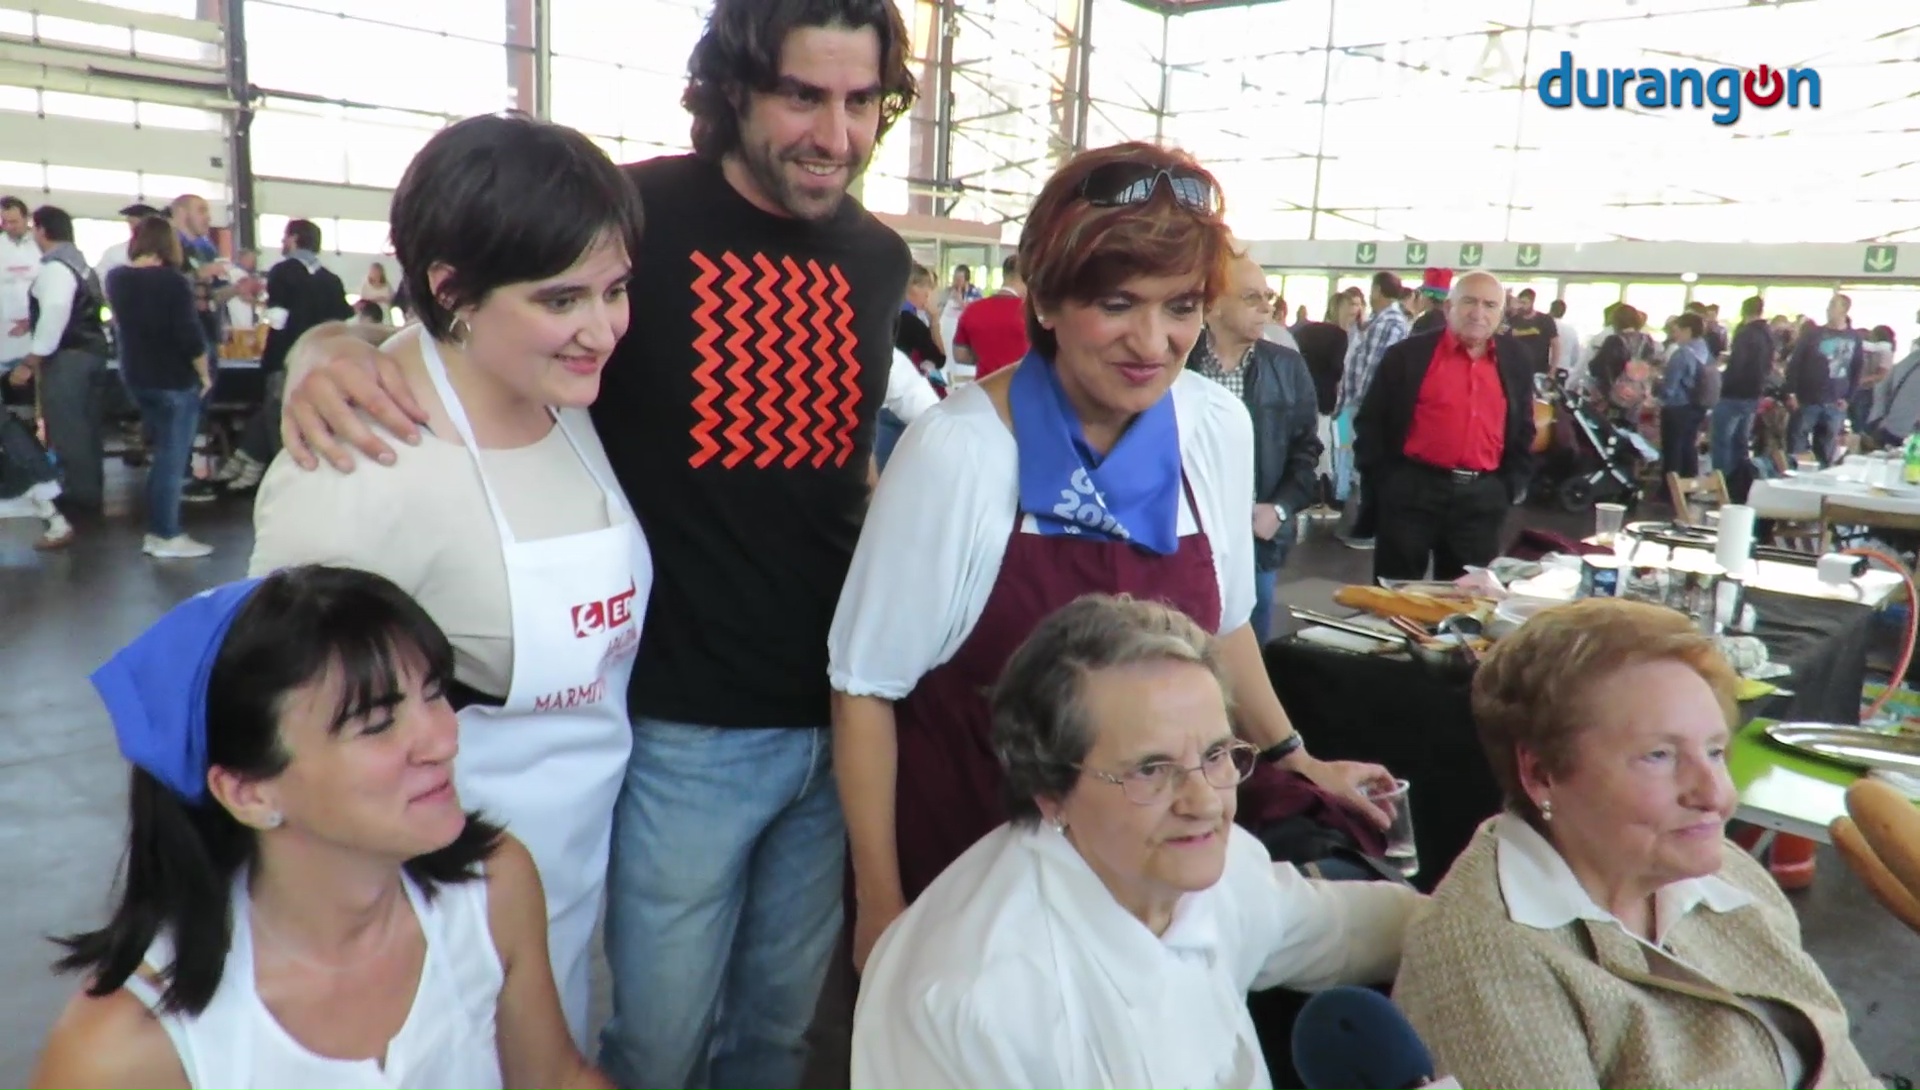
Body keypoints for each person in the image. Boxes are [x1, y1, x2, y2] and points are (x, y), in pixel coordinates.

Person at [274, 4, 920, 1085]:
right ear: (736, 90)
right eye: (805, 95)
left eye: (863, 102)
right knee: (655, 1039)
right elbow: (473, 309)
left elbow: (844, 456)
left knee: (777, 1033)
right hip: (676, 722)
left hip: (835, 711)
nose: (836, 134)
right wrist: (323, 346)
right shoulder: (642, 212)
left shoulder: (880, 256)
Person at [828, 142, 1394, 973]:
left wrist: (1293, 757)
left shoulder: (1212, 429)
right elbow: (865, 691)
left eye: (1181, 307)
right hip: (975, 868)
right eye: (1118, 303)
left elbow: (1227, 623)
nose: (1153, 342)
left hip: (1148, 880)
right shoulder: (960, 453)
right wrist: (882, 906)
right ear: (1048, 299)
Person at [247, 113, 648, 1051]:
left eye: (617, 290)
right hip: (424, 907)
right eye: (563, 300)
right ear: (451, 290)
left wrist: (328, 335)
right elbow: (274, 725)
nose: (602, 329)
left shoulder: (562, 396)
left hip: (564, 874)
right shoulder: (362, 452)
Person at [27, 567, 612, 1089]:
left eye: (434, 694)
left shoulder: (491, 888)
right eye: (377, 723)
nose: (443, 738)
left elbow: (555, 1078)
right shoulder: (123, 1052)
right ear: (248, 793)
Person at [850, 594, 1420, 1090]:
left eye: (1217, 755)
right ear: (1050, 790)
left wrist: (1484, 920)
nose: (1203, 802)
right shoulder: (969, 997)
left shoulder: (1208, 872)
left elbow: (1344, 929)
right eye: (1152, 769)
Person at [1395, 598, 1877, 1088]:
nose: (1715, 795)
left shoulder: (1722, 875)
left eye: (1714, 751)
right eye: (1659, 755)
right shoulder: (1484, 963)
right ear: (1542, 774)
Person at [1353, 270, 1534, 582]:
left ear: (1501, 314)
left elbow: (1523, 426)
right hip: (1412, 492)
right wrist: (1387, 483)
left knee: (1468, 601)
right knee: (1394, 595)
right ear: (1449, 307)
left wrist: (1508, 486)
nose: (1478, 313)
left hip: (1481, 499)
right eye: (1469, 302)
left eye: (1490, 305)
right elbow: (1371, 423)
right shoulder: (1407, 356)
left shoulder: (1515, 358)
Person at [1188, 250, 1320, 641]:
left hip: (1254, 538)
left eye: (1268, 297)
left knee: (1246, 645)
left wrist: (1278, 509)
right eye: (1251, 298)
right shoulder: (1174, 361)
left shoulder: (1287, 366)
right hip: (1184, 531)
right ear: (1211, 306)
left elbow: (1305, 450)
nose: (1265, 308)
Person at [103, 215, 215, 559]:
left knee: (161, 456)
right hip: (174, 380)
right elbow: (188, 335)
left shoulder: (117, 279)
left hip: (137, 378)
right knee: (172, 458)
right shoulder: (173, 282)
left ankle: (157, 532)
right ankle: (166, 533)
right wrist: (205, 373)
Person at [218, 219, 354, 493]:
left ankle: (280, 475)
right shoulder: (331, 280)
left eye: (284, 237)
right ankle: (250, 461)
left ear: (293, 239)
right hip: (324, 363)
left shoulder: (283, 272)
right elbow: (344, 323)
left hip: (287, 358)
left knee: (279, 418)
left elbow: (277, 320)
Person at [6, 205, 110, 512]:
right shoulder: (80, 264)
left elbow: (56, 312)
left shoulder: (55, 267)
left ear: (40, 229)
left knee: (68, 429)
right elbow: (83, 309)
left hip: (68, 360)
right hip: (91, 353)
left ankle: (77, 497)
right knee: (87, 427)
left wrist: (31, 360)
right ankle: (89, 490)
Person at [951, 254, 1029, 380]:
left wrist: (987, 356)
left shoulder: (972, 310)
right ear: (1026, 278)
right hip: (1022, 389)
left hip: (984, 389)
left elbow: (959, 355)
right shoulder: (1031, 313)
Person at [1657, 312, 1709, 479]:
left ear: (1687, 330)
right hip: (1697, 405)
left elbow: (1670, 388)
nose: (1674, 334)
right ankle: (1689, 484)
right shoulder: (1704, 349)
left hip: (1676, 407)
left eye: (1676, 330)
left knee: (1672, 449)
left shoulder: (1681, 354)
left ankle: (1669, 490)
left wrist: (1657, 394)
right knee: (1688, 446)